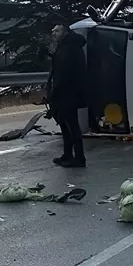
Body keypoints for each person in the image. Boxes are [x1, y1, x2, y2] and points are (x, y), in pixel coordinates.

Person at [48, 24, 88, 168]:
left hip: (67, 92)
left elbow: (63, 74)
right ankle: (68, 154)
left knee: (71, 125)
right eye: (53, 30)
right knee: (66, 124)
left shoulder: (68, 48)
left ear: (65, 32)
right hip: (70, 91)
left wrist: (54, 93)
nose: (54, 33)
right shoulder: (69, 46)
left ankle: (78, 157)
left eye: (57, 30)